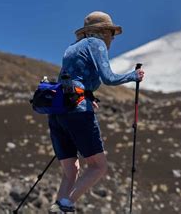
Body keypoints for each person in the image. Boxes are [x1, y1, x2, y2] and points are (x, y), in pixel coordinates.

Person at [48, 11, 144, 213]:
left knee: (70, 171)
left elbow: (68, 81)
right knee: (98, 166)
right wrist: (133, 76)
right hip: (78, 111)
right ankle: (65, 205)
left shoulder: (72, 48)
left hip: (57, 111)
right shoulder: (96, 43)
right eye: (111, 32)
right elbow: (108, 78)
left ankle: (59, 207)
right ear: (103, 31)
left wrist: (88, 96)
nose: (112, 38)